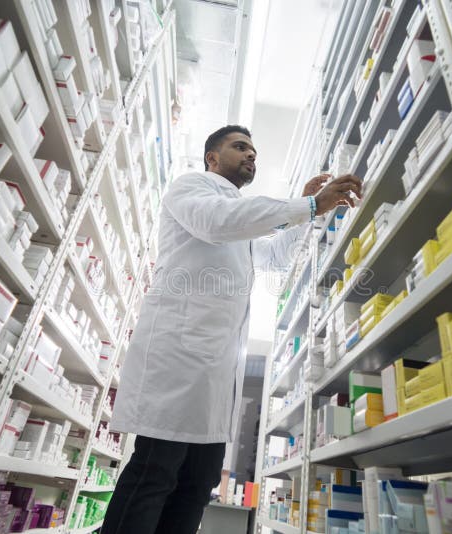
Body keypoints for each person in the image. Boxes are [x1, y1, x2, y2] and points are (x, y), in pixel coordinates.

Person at [102, 125, 362, 534]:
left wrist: (308, 214)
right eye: (240, 147)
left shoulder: (241, 224)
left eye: (254, 151)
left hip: (215, 373)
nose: (251, 156)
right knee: (155, 473)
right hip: (178, 361)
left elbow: (273, 257)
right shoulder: (191, 189)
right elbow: (217, 222)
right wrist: (306, 205)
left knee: (198, 482)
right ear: (211, 157)